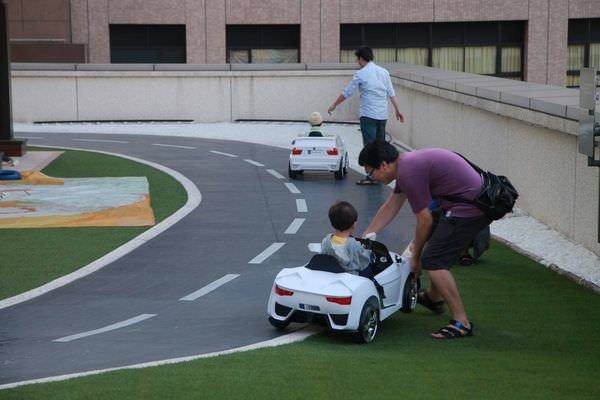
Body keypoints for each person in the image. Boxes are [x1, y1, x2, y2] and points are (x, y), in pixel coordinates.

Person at [358, 140, 491, 340]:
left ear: (384, 165)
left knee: (433, 261)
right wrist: (366, 236)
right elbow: (391, 205)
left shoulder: (409, 171)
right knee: (435, 251)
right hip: (459, 202)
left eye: (371, 172)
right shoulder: (405, 164)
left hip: (470, 206)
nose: (372, 177)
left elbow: (424, 219)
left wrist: (416, 257)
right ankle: (434, 298)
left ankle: (461, 323)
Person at [327, 46, 404, 185]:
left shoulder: (361, 74)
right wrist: (397, 110)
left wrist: (334, 104)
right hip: (382, 115)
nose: (358, 62)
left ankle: (371, 176)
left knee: (369, 146)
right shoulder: (384, 72)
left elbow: (347, 92)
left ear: (362, 59)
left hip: (368, 115)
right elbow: (391, 93)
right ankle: (383, 174)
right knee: (381, 146)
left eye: (358, 59)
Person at [320, 200, 373, 276]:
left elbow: (322, 257)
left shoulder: (326, 241)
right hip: (351, 276)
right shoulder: (354, 244)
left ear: (332, 224)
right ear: (354, 225)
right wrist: (369, 252)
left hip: (330, 274)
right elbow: (363, 262)